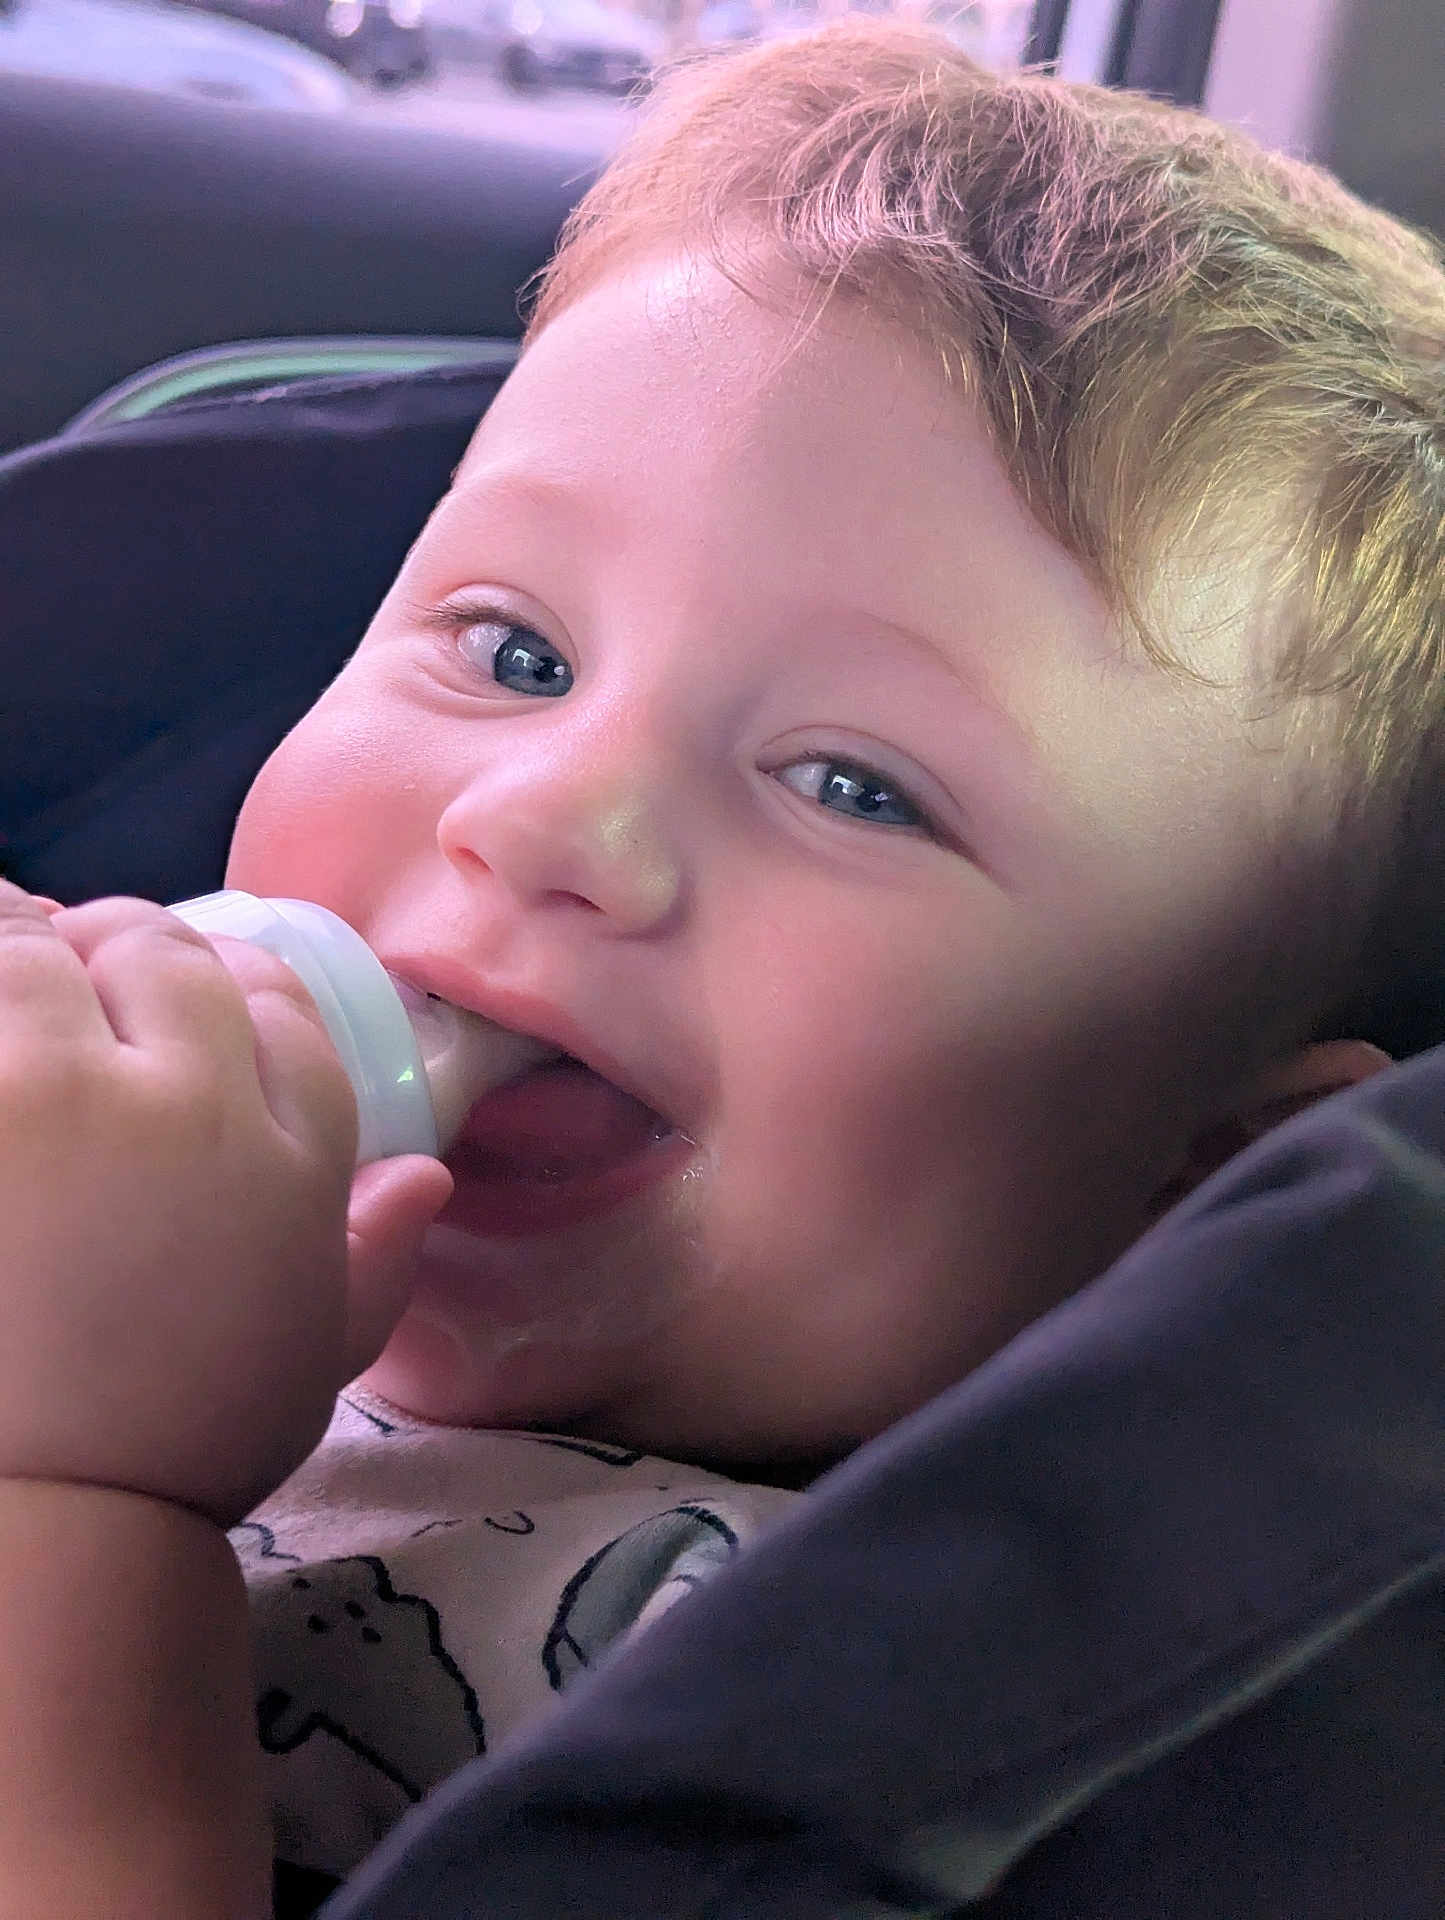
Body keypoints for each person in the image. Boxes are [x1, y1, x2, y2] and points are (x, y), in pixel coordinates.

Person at [0, 17, 1442, 1917]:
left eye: (853, 784)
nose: (541, 818)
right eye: (514, 652)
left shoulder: (851, 1698)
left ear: (1196, 1175)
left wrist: (83, 1508)